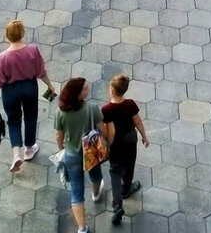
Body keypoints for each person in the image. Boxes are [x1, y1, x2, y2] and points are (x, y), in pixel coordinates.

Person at [0, 19, 55, 174]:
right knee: (30, 117)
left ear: (7, 36)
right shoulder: (32, 50)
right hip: (29, 88)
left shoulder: (2, 58)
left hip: (10, 91)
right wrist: (49, 85)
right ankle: (29, 148)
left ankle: (16, 153)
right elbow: (41, 71)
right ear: (22, 33)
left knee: (13, 121)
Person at [54, 77, 107, 231]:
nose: (88, 89)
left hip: (71, 154)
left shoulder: (61, 112)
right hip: (90, 150)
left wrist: (61, 149)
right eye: (84, 88)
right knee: (96, 174)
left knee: (76, 191)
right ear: (77, 94)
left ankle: (82, 228)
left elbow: (59, 135)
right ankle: (96, 194)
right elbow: (102, 130)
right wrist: (105, 139)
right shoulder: (92, 108)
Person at [101, 73, 148, 227]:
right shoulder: (130, 104)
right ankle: (127, 188)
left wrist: (107, 144)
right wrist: (144, 137)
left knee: (115, 171)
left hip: (116, 142)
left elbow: (110, 130)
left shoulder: (106, 109)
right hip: (130, 138)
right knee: (129, 164)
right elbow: (138, 122)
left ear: (112, 90)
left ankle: (117, 206)